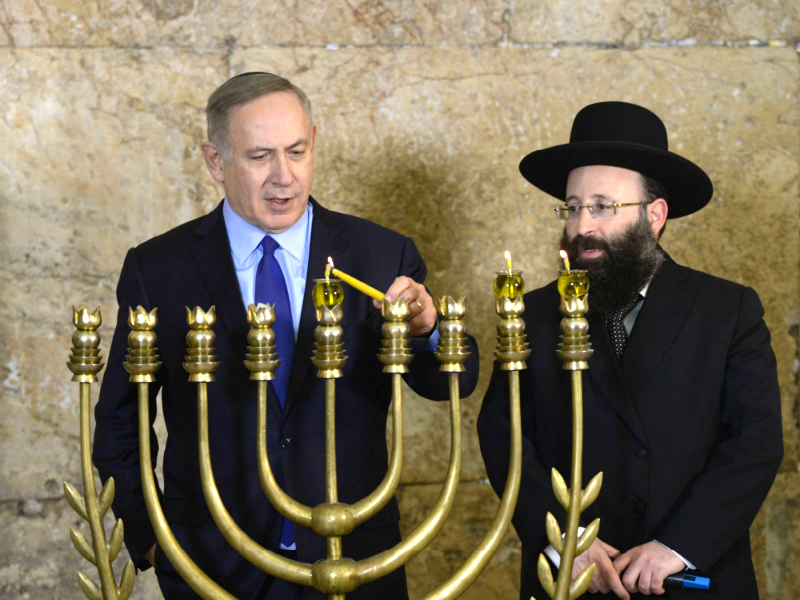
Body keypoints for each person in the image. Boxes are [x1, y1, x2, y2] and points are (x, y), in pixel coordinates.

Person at [93, 72, 479, 600]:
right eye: (259, 156)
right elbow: (119, 424)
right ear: (214, 160)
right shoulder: (158, 269)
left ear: (314, 142)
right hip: (210, 565)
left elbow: (450, 382)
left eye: (297, 151)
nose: (284, 178)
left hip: (354, 557)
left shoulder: (379, 254)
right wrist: (154, 541)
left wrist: (428, 330)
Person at [478, 101, 783, 599]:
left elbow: (754, 446)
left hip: (691, 579)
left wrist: (675, 547)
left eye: (602, 206)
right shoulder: (532, 314)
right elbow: (505, 439)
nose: (582, 228)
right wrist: (567, 540)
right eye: (573, 207)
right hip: (574, 581)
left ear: (654, 215)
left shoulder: (727, 311)